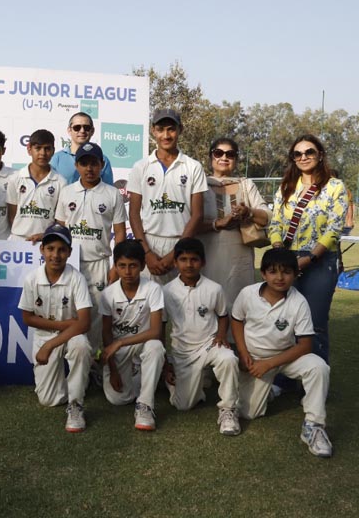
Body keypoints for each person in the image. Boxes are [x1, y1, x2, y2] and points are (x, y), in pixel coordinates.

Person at [231, 247, 332, 458]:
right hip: (255, 360)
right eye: (273, 271)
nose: (279, 277)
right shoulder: (247, 294)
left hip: (284, 357)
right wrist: (243, 352)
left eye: (286, 272)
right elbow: (237, 320)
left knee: (318, 366)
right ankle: (266, 390)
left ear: (296, 274)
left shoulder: (299, 302)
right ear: (264, 273)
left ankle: (314, 426)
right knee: (249, 413)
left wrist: (270, 364)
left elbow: (305, 345)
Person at [268, 134, 347, 364]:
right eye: (298, 153)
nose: (304, 157)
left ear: (320, 155)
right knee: (285, 321)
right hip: (287, 260)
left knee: (315, 323)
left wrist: (311, 258)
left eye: (309, 152)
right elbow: (275, 224)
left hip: (320, 261)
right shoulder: (286, 187)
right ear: (293, 158)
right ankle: (285, 379)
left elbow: (334, 228)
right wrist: (279, 252)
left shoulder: (334, 186)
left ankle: (315, 379)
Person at [55, 142, 126, 365]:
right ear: (77, 165)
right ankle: (69, 361)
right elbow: (60, 229)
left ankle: (91, 364)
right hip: (70, 263)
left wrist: (116, 266)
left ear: (101, 165)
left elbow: (120, 234)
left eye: (94, 163)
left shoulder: (112, 193)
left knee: (95, 316)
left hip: (99, 263)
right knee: (68, 311)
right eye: (84, 163)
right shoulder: (67, 192)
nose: (89, 169)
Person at [18, 224, 93, 433]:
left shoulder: (76, 278)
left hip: (71, 336)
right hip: (47, 336)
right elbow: (27, 318)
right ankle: (75, 382)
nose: (56, 255)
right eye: (50, 249)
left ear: (69, 252)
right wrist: (63, 325)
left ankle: (76, 405)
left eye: (61, 249)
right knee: (48, 399)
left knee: (81, 346)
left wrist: (50, 345)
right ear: (42, 250)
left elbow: (84, 323)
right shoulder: (32, 278)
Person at [162, 238, 241, 435]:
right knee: (184, 405)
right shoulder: (167, 291)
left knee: (229, 358)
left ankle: (228, 409)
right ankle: (180, 384)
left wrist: (222, 335)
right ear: (175, 262)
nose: (189, 264)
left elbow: (223, 316)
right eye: (183, 259)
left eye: (194, 259)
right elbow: (161, 325)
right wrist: (164, 359)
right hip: (183, 351)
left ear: (203, 262)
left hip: (209, 343)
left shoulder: (214, 288)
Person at [127, 108, 207, 285]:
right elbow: (133, 213)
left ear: (180, 130)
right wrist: (147, 253)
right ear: (153, 131)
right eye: (160, 129)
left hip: (183, 244)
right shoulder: (141, 167)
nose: (166, 135)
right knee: (151, 307)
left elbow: (197, 215)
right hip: (150, 243)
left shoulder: (193, 167)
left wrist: (175, 253)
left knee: (182, 305)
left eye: (171, 129)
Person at [99, 240, 164, 431]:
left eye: (133, 266)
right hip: (118, 352)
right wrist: (113, 370)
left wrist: (120, 343)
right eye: (122, 266)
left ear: (142, 266)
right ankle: (141, 375)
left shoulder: (153, 289)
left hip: (141, 343)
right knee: (117, 399)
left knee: (156, 346)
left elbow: (155, 331)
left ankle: (145, 405)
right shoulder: (108, 294)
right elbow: (105, 332)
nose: (127, 272)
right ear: (116, 266)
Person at [198, 138, 270, 310]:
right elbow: (188, 223)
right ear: (210, 157)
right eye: (218, 153)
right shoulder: (199, 184)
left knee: (239, 309)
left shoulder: (246, 185)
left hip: (240, 260)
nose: (224, 157)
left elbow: (267, 217)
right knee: (207, 307)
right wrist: (218, 223)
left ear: (236, 159)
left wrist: (249, 212)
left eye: (230, 154)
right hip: (207, 259)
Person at [6, 129, 67, 242]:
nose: (43, 153)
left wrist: (46, 234)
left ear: (53, 151)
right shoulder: (15, 178)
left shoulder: (60, 182)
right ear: (29, 149)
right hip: (17, 240)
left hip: (46, 241)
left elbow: (60, 220)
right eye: (38, 148)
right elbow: (12, 215)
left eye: (47, 148)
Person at [50, 112, 114, 185]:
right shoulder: (56, 158)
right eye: (77, 127)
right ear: (69, 130)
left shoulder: (102, 159)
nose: (82, 131)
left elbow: (108, 191)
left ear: (92, 131)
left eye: (86, 128)